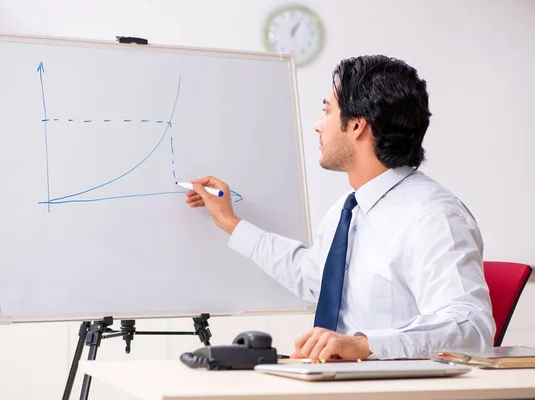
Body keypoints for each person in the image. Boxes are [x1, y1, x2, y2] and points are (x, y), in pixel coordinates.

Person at [185, 55, 494, 361]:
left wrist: (365, 345)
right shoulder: (347, 210)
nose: (318, 126)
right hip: (337, 382)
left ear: (357, 125)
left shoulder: (433, 217)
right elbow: (311, 277)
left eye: (327, 111)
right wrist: (229, 222)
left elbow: (471, 328)